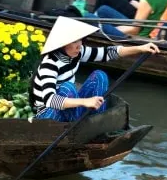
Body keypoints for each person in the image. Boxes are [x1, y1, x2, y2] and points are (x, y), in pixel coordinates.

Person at [30, 16, 159, 121]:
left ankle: (95, 121)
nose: (79, 45)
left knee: (100, 75)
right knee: (67, 88)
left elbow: (107, 53)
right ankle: (78, 125)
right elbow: (50, 100)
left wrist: (140, 48)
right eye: (74, 42)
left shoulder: (77, 53)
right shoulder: (50, 64)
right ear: (62, 44)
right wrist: (84, 102)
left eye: (80, 40)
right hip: (48, 114)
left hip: (69, 109)